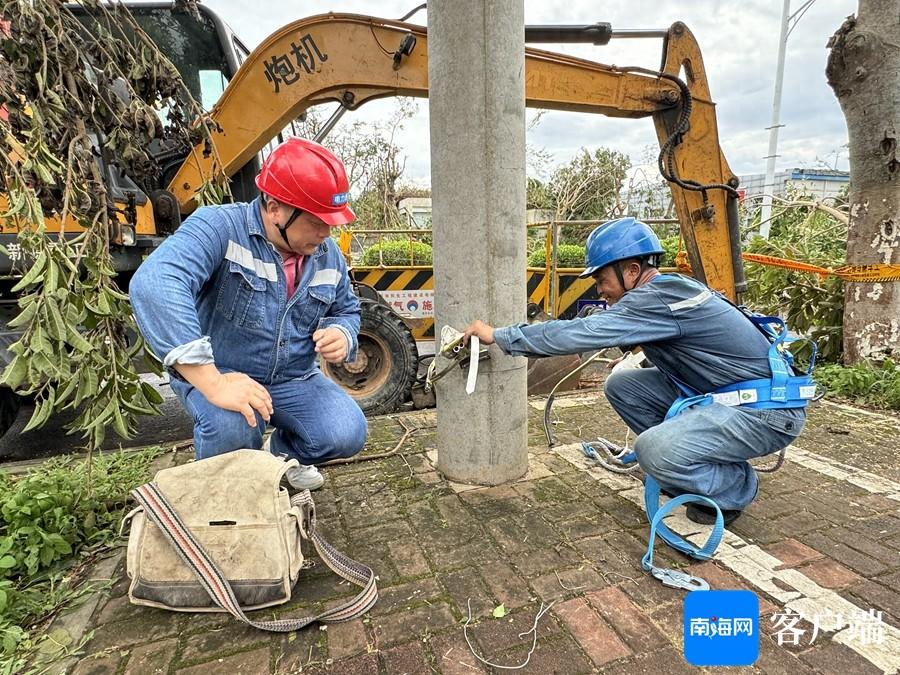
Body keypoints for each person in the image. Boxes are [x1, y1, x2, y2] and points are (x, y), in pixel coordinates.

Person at [464, 217, 807, 525]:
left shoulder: (653, 298)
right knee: (623, 384)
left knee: (652, 450)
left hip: (766, 412)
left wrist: (499, 336)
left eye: (601, 279)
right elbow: (699, 349)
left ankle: (733, 488)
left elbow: (576, 333)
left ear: (630, 270)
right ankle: (687, 464)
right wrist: (645, 358)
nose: (599, 289)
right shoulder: (669, 290)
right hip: (733, 395)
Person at [130, 137, 367, 490]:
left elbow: (346, 308)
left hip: (292, 379)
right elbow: (155, 283)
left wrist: (342, 332)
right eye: (317, 220)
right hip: (224, 371)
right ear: (275, 208)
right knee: (233, 425)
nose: (327, 231)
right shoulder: (219, 228)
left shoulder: (326, 253)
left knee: (346, 430)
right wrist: (214, 383)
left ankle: (281, 461)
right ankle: (228, 490)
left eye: (331, 222)